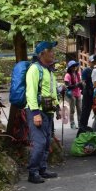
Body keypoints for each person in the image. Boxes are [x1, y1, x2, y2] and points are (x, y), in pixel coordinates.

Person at [25, 41, 60, 183]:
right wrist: (35, 113)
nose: (53, 53)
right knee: (39, 143)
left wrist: (57, 108)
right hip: (37, 111)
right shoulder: (35, 69)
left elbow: (52, 92)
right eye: (50, 50)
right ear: (42, 54)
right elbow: (31, 92)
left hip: (48, 111)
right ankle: (32, 173)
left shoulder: (48, 70)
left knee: (46, 142)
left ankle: (42, 169)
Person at [78, 54, 96, 132]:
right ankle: (82, 128)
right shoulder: (86, 70)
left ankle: (93, 129)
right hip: (87, 93)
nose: (93, 63)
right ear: (89, 62)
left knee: (94, 111)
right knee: (85, 111)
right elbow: (83, 81)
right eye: (92, 62)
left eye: (94, 61)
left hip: (94, 93)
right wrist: (85, 88)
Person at [64, 60, 82, 130]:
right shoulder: (67, 75)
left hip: (78, 93)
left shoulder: (77, 74)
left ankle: (80, 123)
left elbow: (79, 84)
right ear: (70, 67)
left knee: (80, 109)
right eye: (73, 66)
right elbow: (67, 86)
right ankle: (72, 123)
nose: (75, 67)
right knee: (72, 110)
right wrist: (77, 85)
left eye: (75, 66)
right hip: (71, 95)